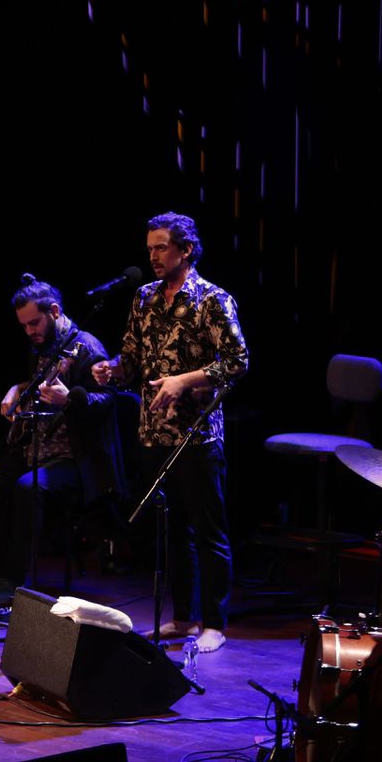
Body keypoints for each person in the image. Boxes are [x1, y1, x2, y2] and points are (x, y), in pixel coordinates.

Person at [92, 212, 248, 652]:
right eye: (150, 249)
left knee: (207, 530)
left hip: (197, 435)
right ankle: (182, 618)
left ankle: (214, 623)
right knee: (172, 531)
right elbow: (133, 360)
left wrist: (185, 380)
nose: (154, 256)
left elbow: (237, 361)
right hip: (152, 433)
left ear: (186, 250)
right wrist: (113, 371)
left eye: (161, 247)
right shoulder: (143, 298)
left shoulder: (213, 300)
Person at [0, 275, 124, 605]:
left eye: (34, 322)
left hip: (74, 459)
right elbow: (34, 382)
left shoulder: (86, 346)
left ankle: (15, 582)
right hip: (33, 451)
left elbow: (109, 400)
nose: (29, 331)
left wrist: (71, 400)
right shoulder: (42, 347)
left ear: (54, 311)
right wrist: (16, 390)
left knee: (27, 487)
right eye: (24, 326)